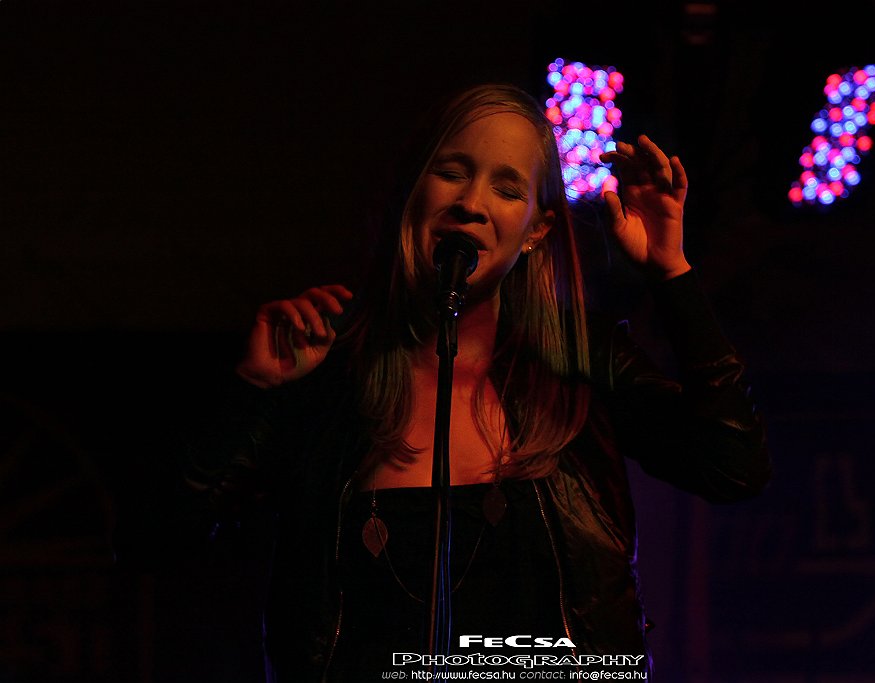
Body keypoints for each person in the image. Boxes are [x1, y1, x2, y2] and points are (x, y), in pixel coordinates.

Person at [181, 82, 770, 681]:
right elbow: (164, 536)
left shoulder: (580, 362)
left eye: (507, 189)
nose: (471, 203)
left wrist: (672, 274)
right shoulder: (328, 373)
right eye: (452, 173)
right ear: (412, 191)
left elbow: (732, 467)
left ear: (536, 230)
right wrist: (251, 389)